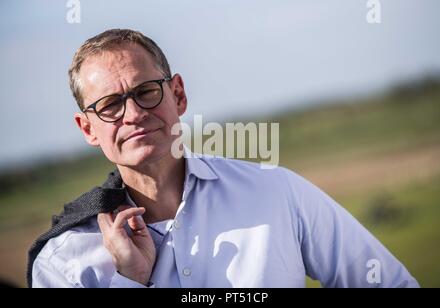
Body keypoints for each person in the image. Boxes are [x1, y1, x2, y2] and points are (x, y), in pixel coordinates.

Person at [28, 28, 419, 288]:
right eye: (110, 105)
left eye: (146, 91)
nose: (133, 114)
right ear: (88, 129)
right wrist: (131, 280)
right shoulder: (63, 260)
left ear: (177, 94)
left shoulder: (276, 192)